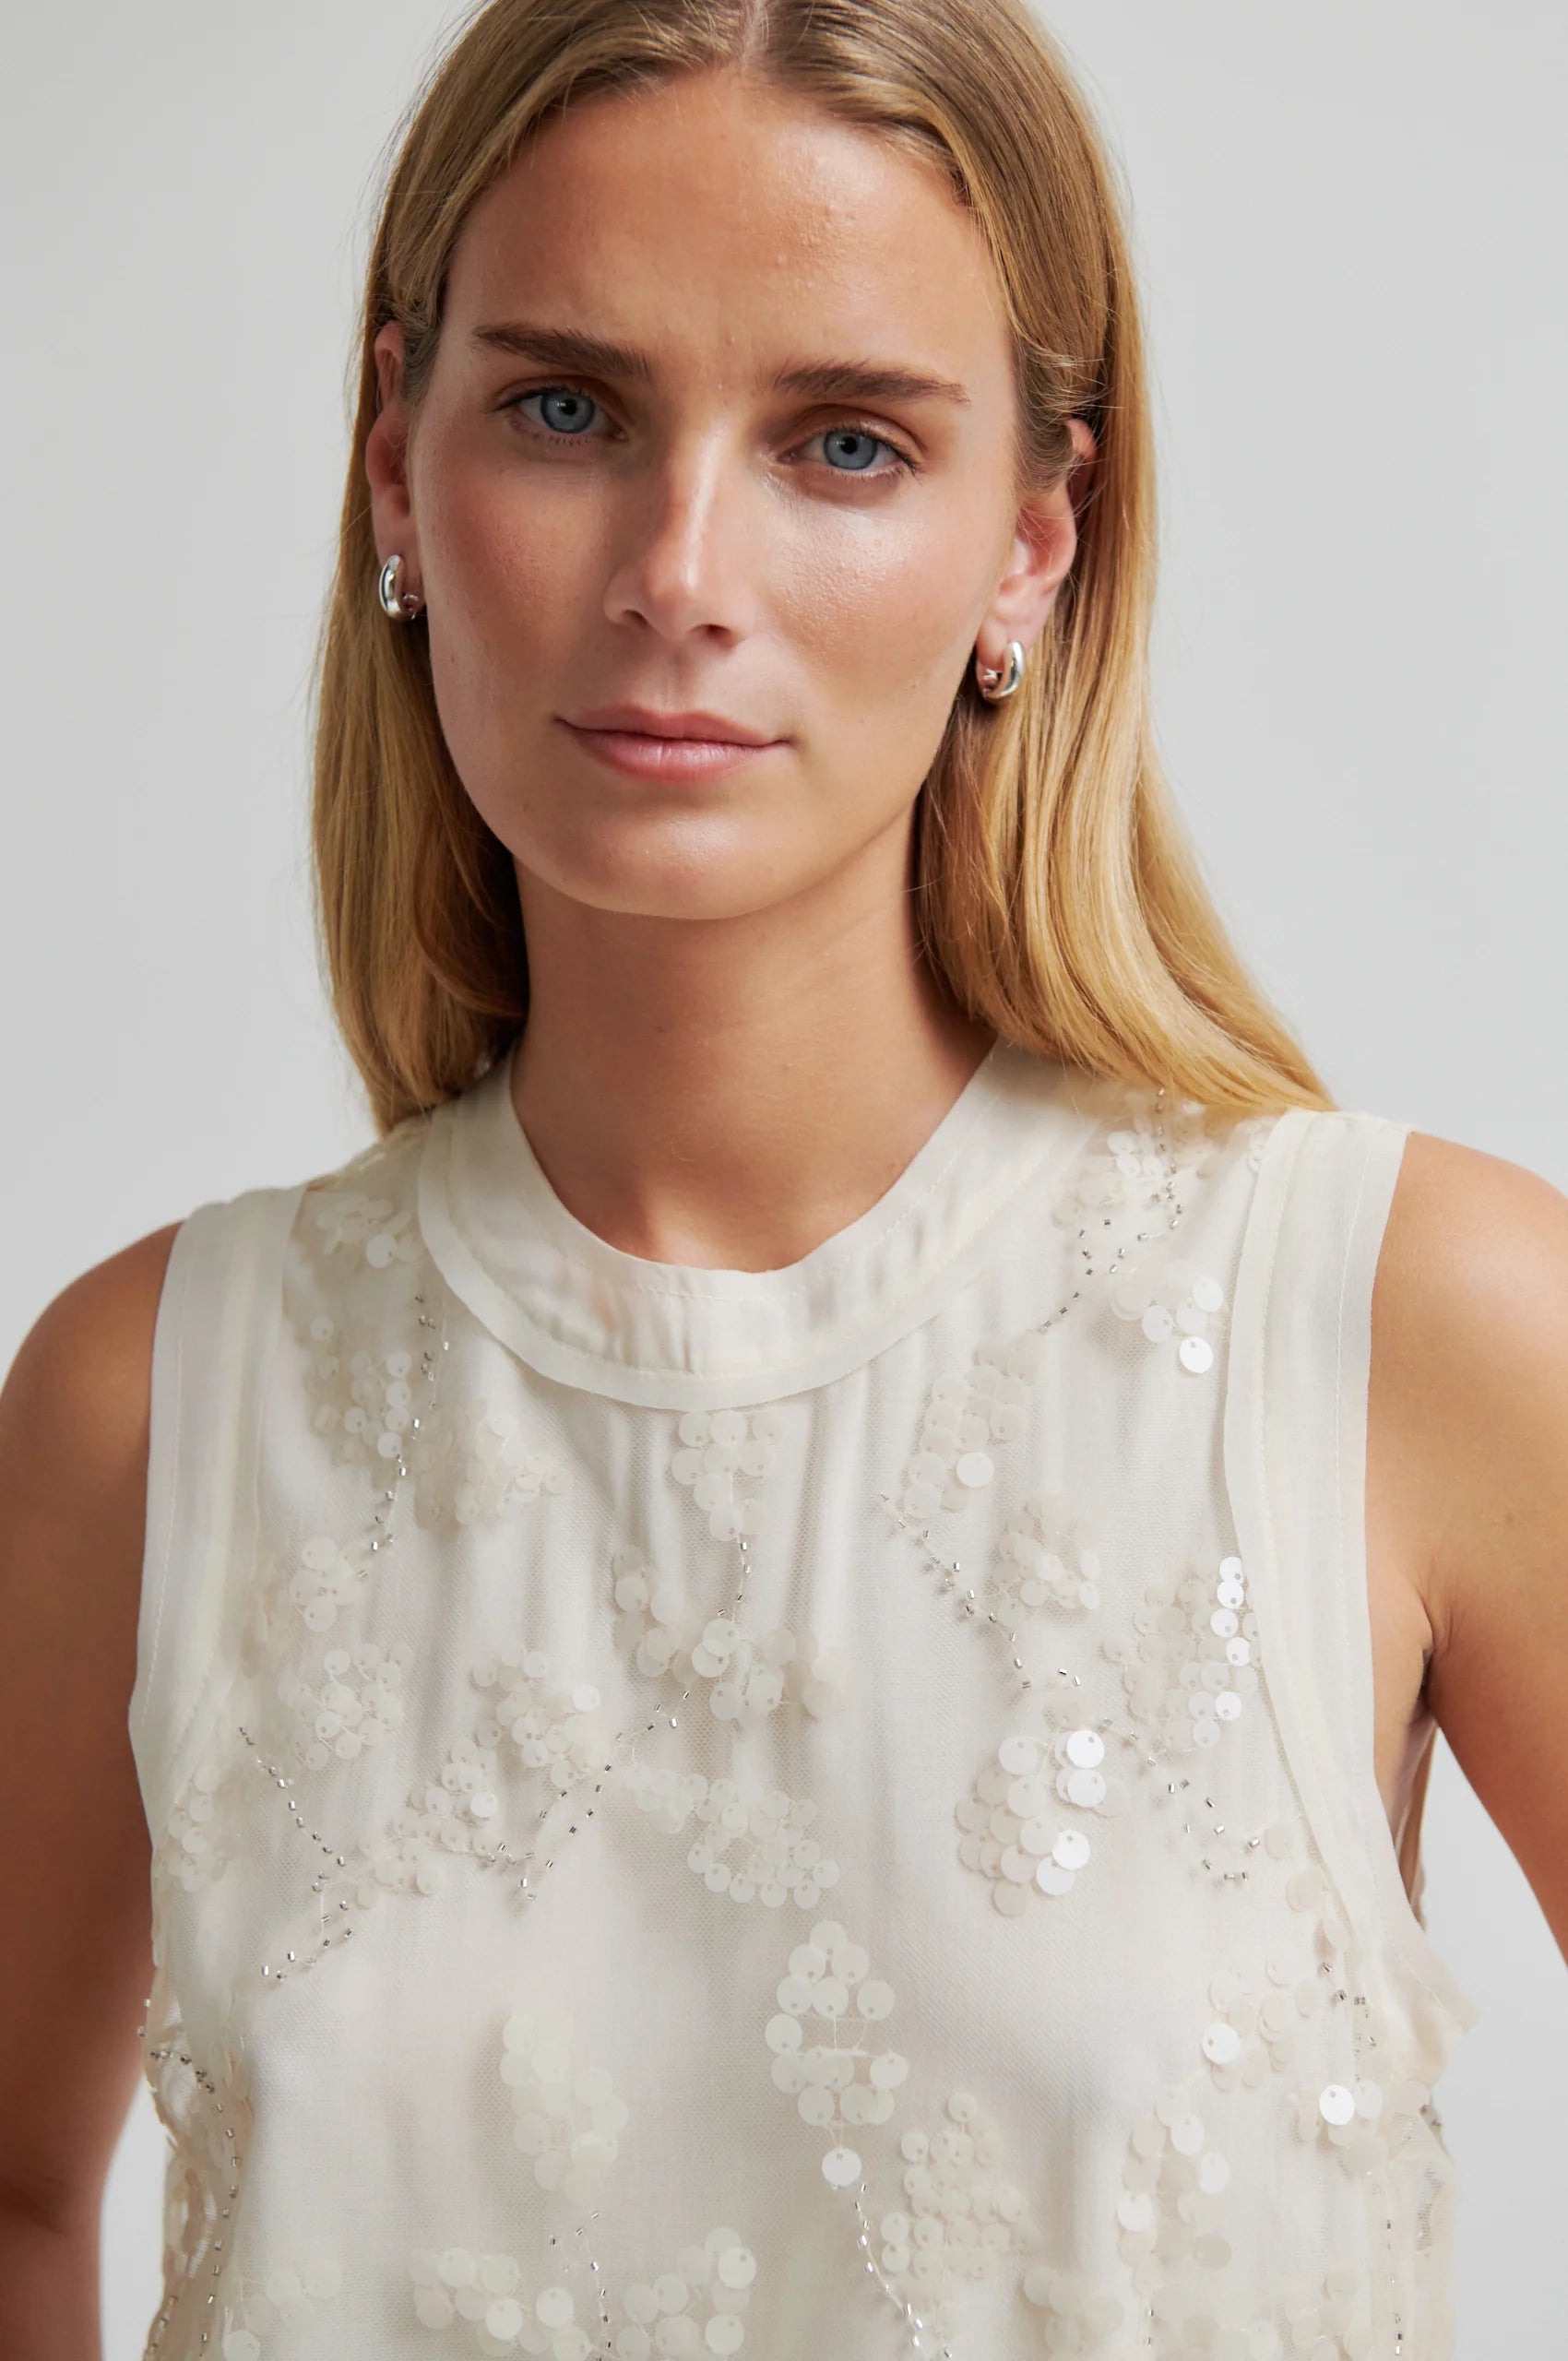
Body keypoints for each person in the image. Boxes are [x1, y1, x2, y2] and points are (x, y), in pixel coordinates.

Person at [2, 0, 1563, 2354]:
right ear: (395, 469)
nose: (679, 570)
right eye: (565, 411)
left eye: (843, 441)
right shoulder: (157, 1400)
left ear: (1033, 543)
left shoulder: (1403, 1325)